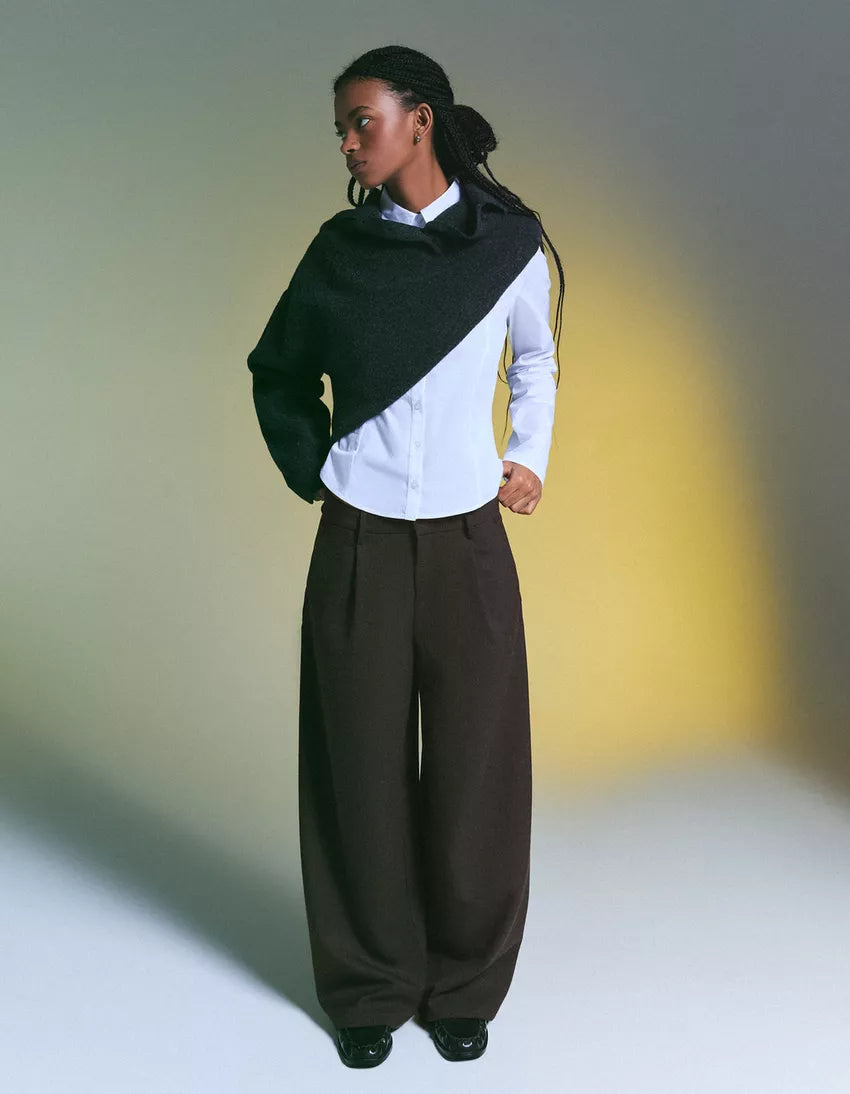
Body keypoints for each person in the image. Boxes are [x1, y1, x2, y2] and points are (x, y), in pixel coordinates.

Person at [246, 44, 565, 1069]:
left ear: (420, 119)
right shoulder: (340, 252)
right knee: (358, 768)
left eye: (362, 121)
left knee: (478, 770)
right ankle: (369, 985)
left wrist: (528, 453)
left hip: (471, 538)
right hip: (359, 538)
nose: (347, 143)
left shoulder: (507, 244)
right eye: (341, 128)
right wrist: (317, 464)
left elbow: (536, 356)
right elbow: (277, 370)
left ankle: (464, 984)